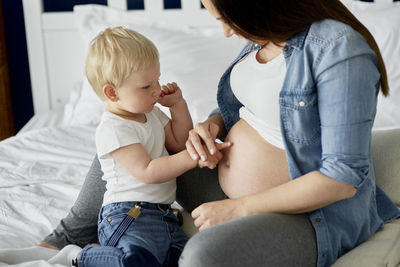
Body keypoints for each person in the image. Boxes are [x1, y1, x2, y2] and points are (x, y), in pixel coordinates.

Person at [40, 0, 400, 266]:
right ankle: (65, 240)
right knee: (130, 130)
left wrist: (239, 209)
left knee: (202, 257)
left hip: (311, 215)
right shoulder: (264, 37)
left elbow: (341, 178)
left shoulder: (340, 49)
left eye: (226, 18)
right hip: (219, 181)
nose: (226, 31)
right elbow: (248, 109)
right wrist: (211, 126)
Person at [49, 26, 228, 267]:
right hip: (127, 216)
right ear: (112, 93)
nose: (156, 90)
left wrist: (177, 106)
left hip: (163, 216)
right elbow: (149, 171)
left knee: (186, 260)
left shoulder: (151, 114)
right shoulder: (114, 128)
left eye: (157, 80)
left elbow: (178, 140)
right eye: (146, 86)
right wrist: (194, 157)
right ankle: (80, 256)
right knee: (134, 261)